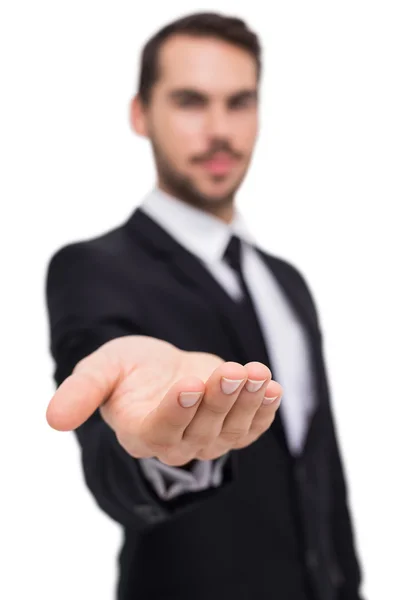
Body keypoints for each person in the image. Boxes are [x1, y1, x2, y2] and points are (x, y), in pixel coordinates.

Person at [45, 11, 365, 600]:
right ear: (141, 114)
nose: (220, 130)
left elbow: (317, 472)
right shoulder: (93, 268)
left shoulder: (286, 281)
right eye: (191, 101)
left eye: (239, 102)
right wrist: (164, 450)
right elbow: (113, 461)